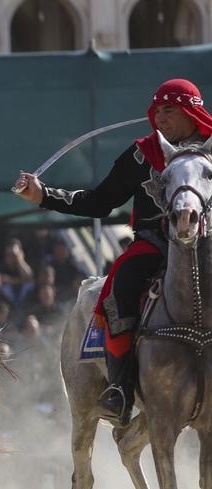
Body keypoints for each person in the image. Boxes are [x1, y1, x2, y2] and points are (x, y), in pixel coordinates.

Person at [14, 78, 212, 424]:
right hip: (155, 244)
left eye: (168, 111)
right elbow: (100, 201)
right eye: (156, 111)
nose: (159, 118)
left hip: (207, 245)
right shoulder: (142, 154)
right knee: (120, 285)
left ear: (190, 112)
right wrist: (44, 195)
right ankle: (120, 388)